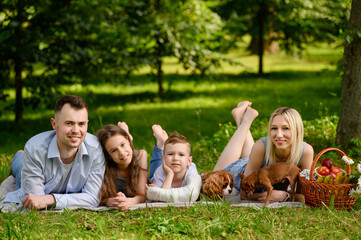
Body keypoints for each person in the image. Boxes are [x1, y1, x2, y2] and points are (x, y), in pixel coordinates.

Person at [4, 95, 105, 210]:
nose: (76, 131)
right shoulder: (35, 149)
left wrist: (51, 199)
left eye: (81, 124)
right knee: (21, 173)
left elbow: (93, 198)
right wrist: (78, 198)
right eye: (69, 123)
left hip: (48, 189)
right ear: (54, 124)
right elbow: (35, 200)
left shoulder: (96, 148)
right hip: (30, 165)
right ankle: (19, 157)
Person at [213, 101, 314, 203]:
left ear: (297, 131)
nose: (279, 135)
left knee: (253, 155)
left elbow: (308, 194)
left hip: (257, 167)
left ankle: (240, 115)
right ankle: (246, 121)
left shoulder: (305, 151)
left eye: (286, 128)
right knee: (215, 174)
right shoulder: (261, 147)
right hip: (244, 171)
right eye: (274, 128)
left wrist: (285, 195)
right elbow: (244, 195)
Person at [96, 123, 148, 210]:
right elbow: (102, 198)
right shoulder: (105, 165)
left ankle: (159, 145)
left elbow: (142, 195)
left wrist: (129, 201)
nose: (122, 153)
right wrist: (114, 201)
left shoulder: (141, 155)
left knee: (157, 169)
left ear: (127, 140)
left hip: (134, 156)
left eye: (122, 145)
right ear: (108, 155)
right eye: (114, 150)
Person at [148, 125, 198, 189]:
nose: (175, 158)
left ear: (189, 161)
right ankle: (161, 144)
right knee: (151, 179)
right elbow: (160, 197)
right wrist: (170, 174)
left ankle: (161, 144)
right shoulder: (159, 173)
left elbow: (193, 192)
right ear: (164, 159)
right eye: (171, 154)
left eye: (181, 155)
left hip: (161, 186)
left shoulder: (191, 171)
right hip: (157, 179)